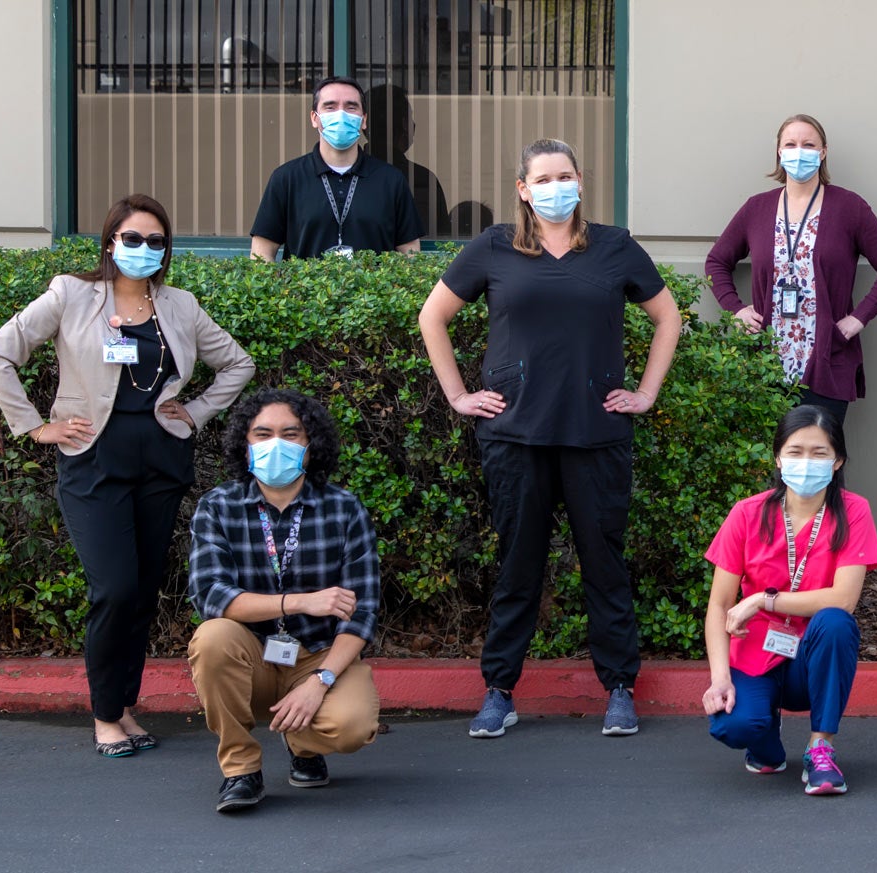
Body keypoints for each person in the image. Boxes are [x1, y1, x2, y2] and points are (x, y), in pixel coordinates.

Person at [418, 138, 684, 740]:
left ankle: (619, 688)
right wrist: (459, 396)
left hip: (596, 433)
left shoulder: (615, 247)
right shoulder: (493, 246)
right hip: (515, 437)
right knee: (518, 567)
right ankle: (499, 691)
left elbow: (667, 318)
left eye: (565, 176)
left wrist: (647, 393)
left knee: (604, 566)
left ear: (581, 181)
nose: (555, 187)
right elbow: (432, 317)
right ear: (522, 189)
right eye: (542, 179)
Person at [0, 194, 255, 759]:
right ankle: (106, 715)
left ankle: (126, 706)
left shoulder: (179, 305)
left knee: (141, 592)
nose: (144, 249)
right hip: (92, 462)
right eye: (132, 239)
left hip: (161, 461)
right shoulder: (71, 294)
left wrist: (198, 411)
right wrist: (35, 428)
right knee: (113, 589)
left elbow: (238, 363)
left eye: (156, 241)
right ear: (110, 243)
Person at [186, 389, 382, 813]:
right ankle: (241, 770)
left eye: (290, 434)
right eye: (263, 433)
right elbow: (212, 597)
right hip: (250, 655)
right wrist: (301, 602)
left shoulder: (345, 509)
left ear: (312, 447)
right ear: (246, 443)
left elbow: (361, 615)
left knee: (352, 726)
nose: (276, 444)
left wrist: (320, 684)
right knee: (212, 637)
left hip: (316, 655)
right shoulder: (218, 507)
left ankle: (304, 745)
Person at [702, 406, 877, 796]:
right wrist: (719, 679)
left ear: (837, 462)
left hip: (810, 658)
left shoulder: (854, 511)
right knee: (733, 726)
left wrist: (763, 602)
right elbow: (719, 606)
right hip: (756, 653)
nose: (806, 462)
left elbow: (844, 599)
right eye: (795, 451)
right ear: (778, 458)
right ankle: (765, 740)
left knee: (835, 622)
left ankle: (821, 748)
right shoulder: (747, 513)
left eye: (819, 453)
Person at [706, 114, 877, 425]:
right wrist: (736, 310)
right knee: (770, 463)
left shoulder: (849, 207)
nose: (799, 151)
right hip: (766, 366)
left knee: (822, 458)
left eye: (808, 144)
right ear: (779, 151)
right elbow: (717, 262)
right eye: (791, 144)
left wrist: (858, 318)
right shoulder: (756, 208)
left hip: (827, 361)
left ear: (823, 152)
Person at [250, 76, 426, 259]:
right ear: (314, 118)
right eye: (330, 107)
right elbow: (261, 254)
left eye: (351, 107)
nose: (341, 114)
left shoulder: (391, 180)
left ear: (363, 120)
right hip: (302, 288)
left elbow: (410, 255)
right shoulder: (286, 179)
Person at [367, 83, 454, 239]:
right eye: (410, 117)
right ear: (404, 124)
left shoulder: (344, 176)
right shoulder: (420, 179)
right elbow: (439, 239)